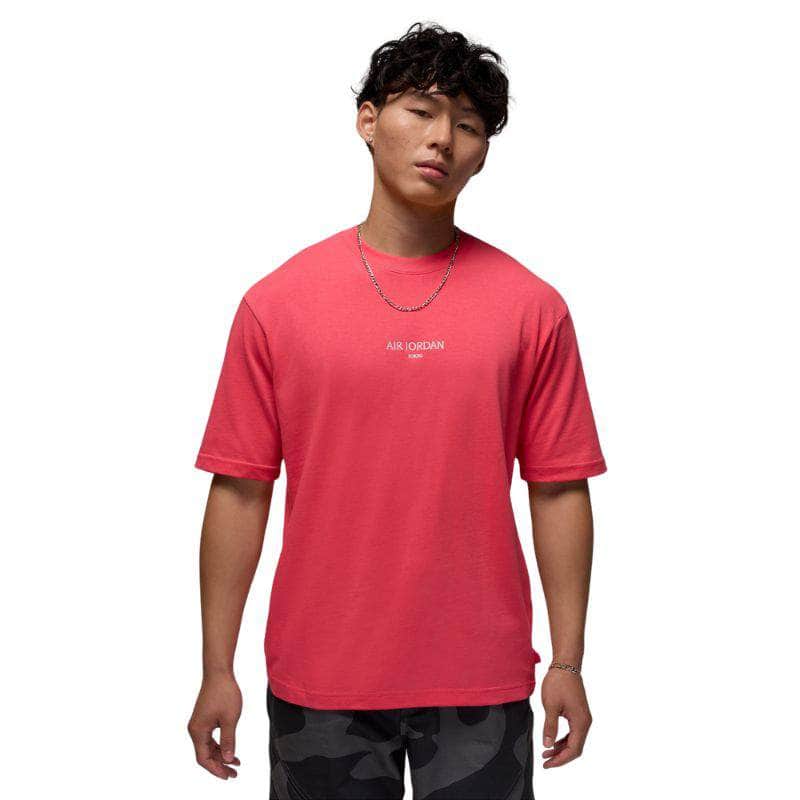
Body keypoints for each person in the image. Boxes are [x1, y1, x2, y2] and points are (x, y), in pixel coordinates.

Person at [187, 21, 607, 800]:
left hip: (481, 679)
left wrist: (569, 661)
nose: (443, 138)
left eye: (469, 125)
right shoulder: (279, 305)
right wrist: (217, 667)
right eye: (422, 111)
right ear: (369, 120)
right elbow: (240, 489)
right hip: (322, 677)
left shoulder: (532, 308)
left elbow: (559, 488)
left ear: (483, 153)